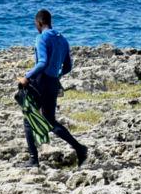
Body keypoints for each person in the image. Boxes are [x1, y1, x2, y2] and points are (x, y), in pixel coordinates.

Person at [16, 9, 88, 168]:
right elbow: (68, 66)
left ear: (39, 23)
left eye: (36, 24)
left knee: (28, 117)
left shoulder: (41, 38)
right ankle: (80, 149)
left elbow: (42, 62)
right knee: (50, 120)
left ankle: (33, 160)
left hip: (40, 81)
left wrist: (26, 77)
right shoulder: (62, 39)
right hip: (53, 82)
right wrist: (56, 76)